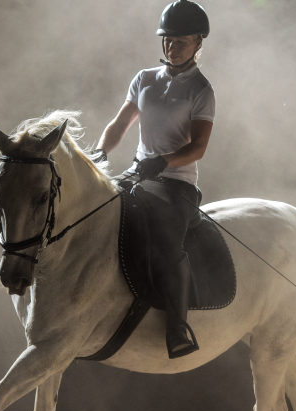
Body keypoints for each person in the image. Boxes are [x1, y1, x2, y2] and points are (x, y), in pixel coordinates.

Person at [96, 0, 214, 359]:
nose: (171, 47)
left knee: (166, 243)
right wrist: (100, 153)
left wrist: (162, 162)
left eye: (180, 42)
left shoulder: (201, 90)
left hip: (176, 183)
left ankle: (177, 327)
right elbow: (119, 124)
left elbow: (197, 148)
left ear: (197, 43)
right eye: (166, 40)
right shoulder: (144, 79)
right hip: (138, 174)